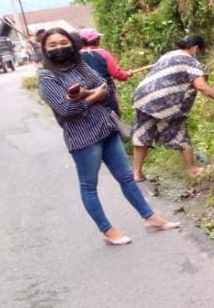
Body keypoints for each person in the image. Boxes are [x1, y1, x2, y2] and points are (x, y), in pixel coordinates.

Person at [38, 28, 180, 246]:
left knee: (125, 177)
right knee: (89, 186)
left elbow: (104, 87)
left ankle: (150, 217)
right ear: (45, 50)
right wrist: (93, 96)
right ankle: (107, 230)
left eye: (63, 42)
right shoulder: (48, 77)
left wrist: (86, 95)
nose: (59, 48)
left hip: (106, 129)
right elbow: (66, 108)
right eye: (53, 45)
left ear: (72, 43)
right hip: (83, 138)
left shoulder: (81, 65)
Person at [130, 34, 214, 181]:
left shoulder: (168, 55)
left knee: (143, 133)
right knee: (179, 133)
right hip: (165, 100)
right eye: (199, 52)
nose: (198, 55)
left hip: (143, 97)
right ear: (195, 48)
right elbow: (201, 86)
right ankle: (193, 170)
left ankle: (137, 173)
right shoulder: (190, 61)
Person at [79, 28, 133, 116]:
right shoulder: (103, 53)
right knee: (114, 117)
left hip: (86, 93)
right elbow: (116, 74)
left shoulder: (76, 56)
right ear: (96, 40)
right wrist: (128, 74)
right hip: (105, 90)